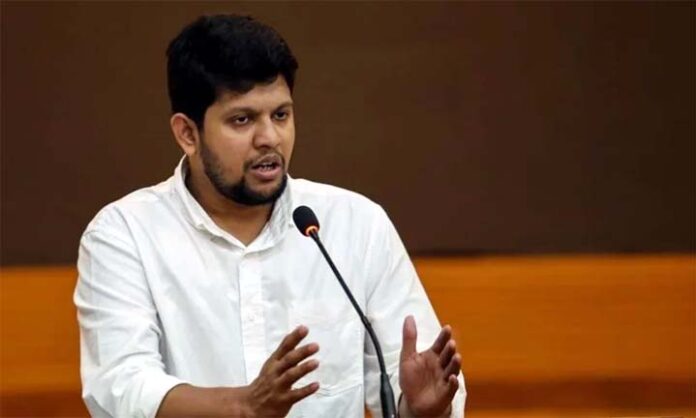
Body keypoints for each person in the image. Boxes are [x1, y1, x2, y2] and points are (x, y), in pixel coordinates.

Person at [74, 14, 466, 418]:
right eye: (242, 120)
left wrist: (421, 409)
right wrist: (243, 406)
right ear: (187, 134)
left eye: (280, 115)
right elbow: (121, 386)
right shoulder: (124, 235)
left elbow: (416, 378)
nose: (270, 138)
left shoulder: (356, 226)